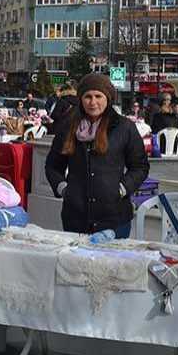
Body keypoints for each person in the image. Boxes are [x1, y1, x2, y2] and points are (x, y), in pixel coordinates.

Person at [45, 73, 150, 237]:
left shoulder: (124, 127)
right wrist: (64, 188)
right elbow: (53, 166)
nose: (93, 102)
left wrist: (122, 189)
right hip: (76, 218)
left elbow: (140, 167)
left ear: (107, 98)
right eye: (87, 96)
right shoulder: (68, 127)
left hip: (114, 218)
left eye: (98, 96)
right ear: (80, 99)